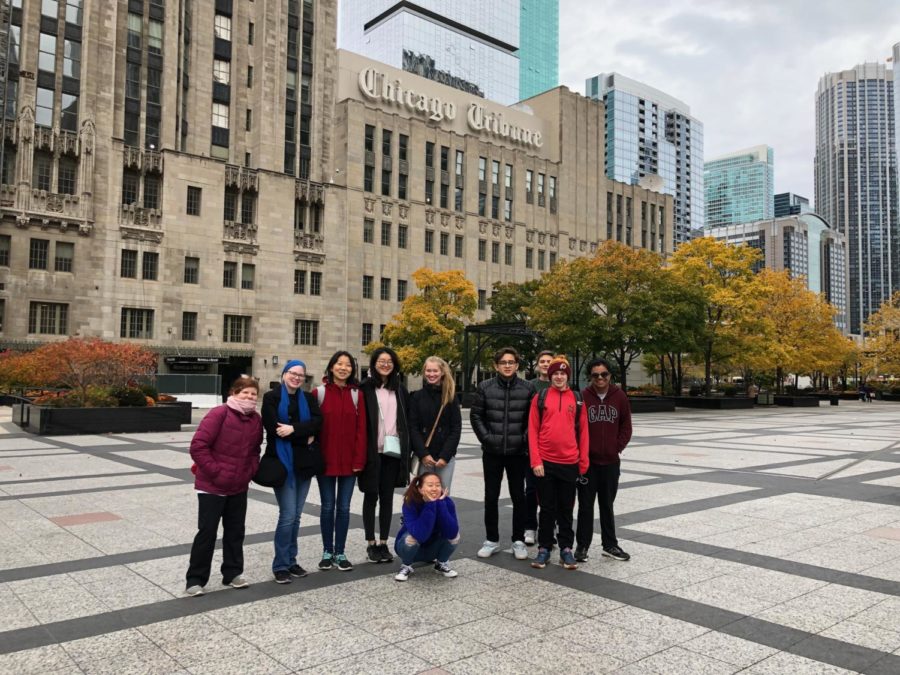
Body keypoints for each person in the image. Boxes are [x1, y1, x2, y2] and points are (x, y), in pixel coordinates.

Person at [185, 376, 263, 596]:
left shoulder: (256, 419)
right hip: (212, 486)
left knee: (235, 532)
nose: (249, 396)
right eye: (244, 392)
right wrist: (217, 473)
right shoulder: (219, 413)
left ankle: (233, 573)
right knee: (207, 532)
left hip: (239, 485)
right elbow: (198, 446)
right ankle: (195, 579)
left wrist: (250, 471)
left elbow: (255, 450)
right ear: (234, 393)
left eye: (253, 393)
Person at [470, 346, 533, 561]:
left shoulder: (527, 389)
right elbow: (476, 416)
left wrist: (523, 441)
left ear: (517, 365)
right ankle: (491, 539)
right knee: (491, 496)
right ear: (496, 366)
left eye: (511, 362)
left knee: (519, 496)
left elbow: (532, 421)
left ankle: (518, 540)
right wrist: (487, 438)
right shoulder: (485, 387)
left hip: (518, 452)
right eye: (503, 362)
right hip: (492, 451)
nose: (507, 366)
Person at [262, 360, 323, 583]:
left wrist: (294, 429)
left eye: (301, 375)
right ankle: (280, 565)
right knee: (287, 516)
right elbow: (273, 428)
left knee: (296, 516)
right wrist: (303, 433)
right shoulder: (272, 397)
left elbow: (318, 423)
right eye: (293, 373)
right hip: (282, 463)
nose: (297, 378)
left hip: (304, 464)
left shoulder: (308, 398)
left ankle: (291, 560)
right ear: (284, 374)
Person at [528, 357, 589, 569]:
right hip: (545, 462)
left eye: (563, 373)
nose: (559, 376)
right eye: (555, 373)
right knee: (546, 508)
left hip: (570, 462)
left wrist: (583, 462)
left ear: (568, 376)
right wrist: (535, 460)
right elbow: (533, 430)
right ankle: (544, 548)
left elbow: (583, 433)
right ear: (550, 376)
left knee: (566, 508)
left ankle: (566, 549)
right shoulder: (540, 397)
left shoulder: (578, 399)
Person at [576, 358, 633, 563]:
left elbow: (626, 427)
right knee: (585, 506)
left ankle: (610, 545)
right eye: (595, 375)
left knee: (607, 505)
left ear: (610, 375)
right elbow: (576, 427)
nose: (600, 378)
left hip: (610, 463)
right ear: (590, 377)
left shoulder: (620, 397)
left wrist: (615, 448)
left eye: (604, 374)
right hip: (587, 463)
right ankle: (582, 545)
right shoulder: (582, 397)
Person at [316, 351, 367, 572]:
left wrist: (359, 460)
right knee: (327, 507)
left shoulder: (357, 395)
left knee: (344, 508)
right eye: (339, 363)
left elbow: (361, 431)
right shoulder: (318, 393)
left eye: (347, 365)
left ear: (352, 370)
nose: (343, 368)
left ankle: (341, 551)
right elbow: (313, 428)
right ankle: (327, 551)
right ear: (331, 367)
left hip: (349, 462)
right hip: (324, 461)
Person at [359, 347, 411, 564]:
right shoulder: (364, 389)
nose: (385, 364)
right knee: (371, 495)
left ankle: (383, 542)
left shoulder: (399, 389)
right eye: (381, 360)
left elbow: (407, 419)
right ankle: (370, 543)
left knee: (387, 497)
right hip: (372, 451)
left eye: (389, 361)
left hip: (393, 452)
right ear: (374, 363)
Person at [393, 472, 460, 582]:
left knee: (455, 536)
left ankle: (441, 563)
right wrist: (430, 505)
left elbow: (451, 533)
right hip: (409, 549)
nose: (434, 489)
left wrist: (440, 504)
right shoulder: (410, 502)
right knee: (411, 538)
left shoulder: (447, 502)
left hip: (433, 549)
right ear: (420, 489)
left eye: (438, 485)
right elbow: (419, 534)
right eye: (430, 485)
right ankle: (406, 566)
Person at [409, 356, 462, 491]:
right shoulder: (417, 396)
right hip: (424, 455)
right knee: (424, 495)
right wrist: (423, 454)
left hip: (445, 456)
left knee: (442, 495)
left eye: (435, 371)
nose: (431, 374)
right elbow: (413, 428)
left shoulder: (450, 396)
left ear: (442, 372)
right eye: (428, 371)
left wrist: (445, 456)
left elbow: (456, 428)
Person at [524, 349, 555, 545]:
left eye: (548, 361)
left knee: (550, 491)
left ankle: (548, 527)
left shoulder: (559, 385)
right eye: (542, 361)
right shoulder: (530, 386)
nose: (545, 364)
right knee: (531, 489)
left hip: (552, 447)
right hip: (531, 444)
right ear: (537, 365)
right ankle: (529, 527)